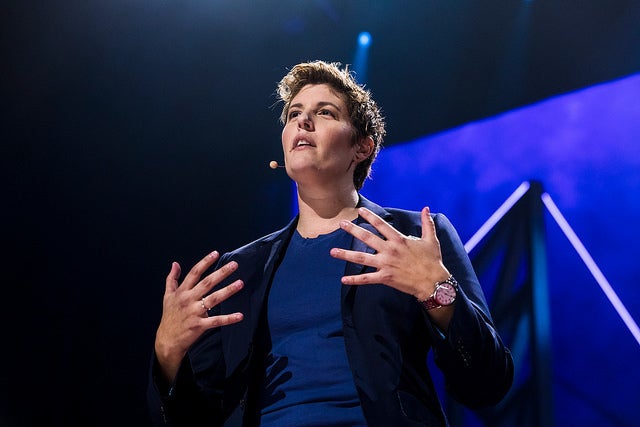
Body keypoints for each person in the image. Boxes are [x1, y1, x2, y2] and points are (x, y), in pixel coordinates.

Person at [147, 60, 513, 426]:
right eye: (294, 114)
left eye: (325, 112)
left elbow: (487, 384)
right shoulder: (241, 270)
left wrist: (436, 291)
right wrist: (166, 352)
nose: (303, 122)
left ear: (362, 148)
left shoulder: (413, 237)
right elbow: (190, 420)